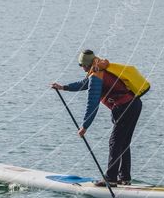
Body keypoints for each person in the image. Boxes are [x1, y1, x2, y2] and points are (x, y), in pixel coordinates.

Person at [50, 49, 143, 187]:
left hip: (125, 107)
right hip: (134, 104)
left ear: (86, 65)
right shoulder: (99, 68)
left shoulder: (96, 76)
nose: (81, 68)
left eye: (81, 65)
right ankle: (124, 178)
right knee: (123, 143)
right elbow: (84, 83)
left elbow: (92, 104)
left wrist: (84, 126)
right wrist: (64, 87)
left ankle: (111, 179)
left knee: (115, 142)